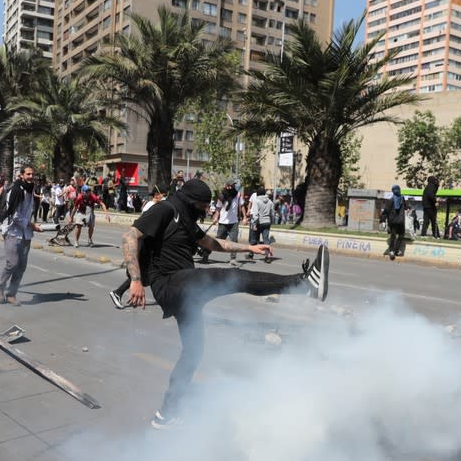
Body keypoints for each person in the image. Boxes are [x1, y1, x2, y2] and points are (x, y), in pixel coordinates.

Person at [120, 178, 329, 429]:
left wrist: (249, 247)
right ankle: (304, 285)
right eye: (202, 205)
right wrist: (135, 280)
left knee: (194, 351)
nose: (205, 210)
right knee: (229, 277)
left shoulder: (185, 218)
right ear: (191, 201)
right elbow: (129, 236)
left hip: (185, 291)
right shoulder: (165, 209)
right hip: (170, 284)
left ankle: (166, 413)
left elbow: (214, 244)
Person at [108, 184, 167, 309]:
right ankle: (118, 292)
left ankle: (119, 292)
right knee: (145, 273)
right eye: (164, 195)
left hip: (147, 243)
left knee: (147, 273)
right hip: (143, 243)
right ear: (157, 195)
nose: (165, 198)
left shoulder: (153, 205)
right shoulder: (153, 206)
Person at [0, 165, 43, 306]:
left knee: (21, 266)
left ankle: (11, 294)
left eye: (32, 173)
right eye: (28, 174)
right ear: (21, 175)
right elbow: (15, 215)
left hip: (25, 233)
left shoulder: (30, 189)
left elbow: (27, 211)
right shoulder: (15, 190)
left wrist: (31, 225)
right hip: (12, 231)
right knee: (12, 263)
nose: (31, 176)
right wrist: (32, 225)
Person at [204, 179, 242, 266]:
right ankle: (205, 254)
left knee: (234, 241)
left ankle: (233, 259)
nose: (232, 187)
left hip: (234, 222)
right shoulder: (221, 196)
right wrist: (216, 217)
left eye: (233, 185)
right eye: (230, 185)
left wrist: (242, 217)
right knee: (217, 241)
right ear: (226, 186)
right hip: (223, 222)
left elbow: (239, 206)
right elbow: (218, 208)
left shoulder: (238, 194)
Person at [381, 185, 408, 260]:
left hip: (401, 221)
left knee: (401, 235)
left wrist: (408, 209)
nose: (397, 191)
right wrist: (383, 220)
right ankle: (392, 251)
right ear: (393, 191)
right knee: (393, 236)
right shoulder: (391, 200)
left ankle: (396, 250)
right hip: (393, 221)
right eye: (396, 190)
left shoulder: (402, 198)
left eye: (398, 189)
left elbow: (406, 207)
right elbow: (386, 211)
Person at [253, 187, 274, 263]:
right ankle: (267, 256)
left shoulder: (256, 201)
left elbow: (255, 213)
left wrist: (255, 223)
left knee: (254, 238)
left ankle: (251, 253)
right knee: (266, 239)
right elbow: (272, 213)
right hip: (267, 222)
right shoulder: (270, 202)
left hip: (259, 222)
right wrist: (271, 221)